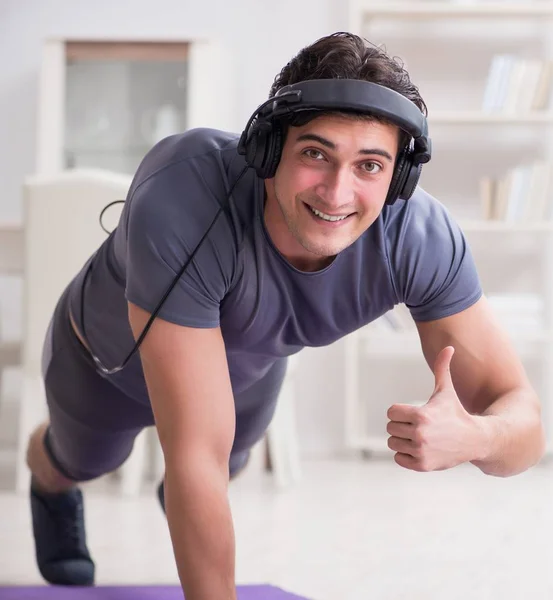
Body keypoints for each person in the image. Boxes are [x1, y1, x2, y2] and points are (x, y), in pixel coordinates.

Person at [26, 31, 545, 599]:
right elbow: (193, 451)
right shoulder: (186, 193)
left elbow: (525, 425)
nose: (337, 192)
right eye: (315, 154)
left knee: (218, 469)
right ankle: (50, 484)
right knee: (84, 461)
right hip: (105, 362)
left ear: (399, 177)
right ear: (268, 150)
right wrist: (190, 480)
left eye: (371, 165)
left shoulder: (418, 238)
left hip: (247, 367)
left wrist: (477, 437)